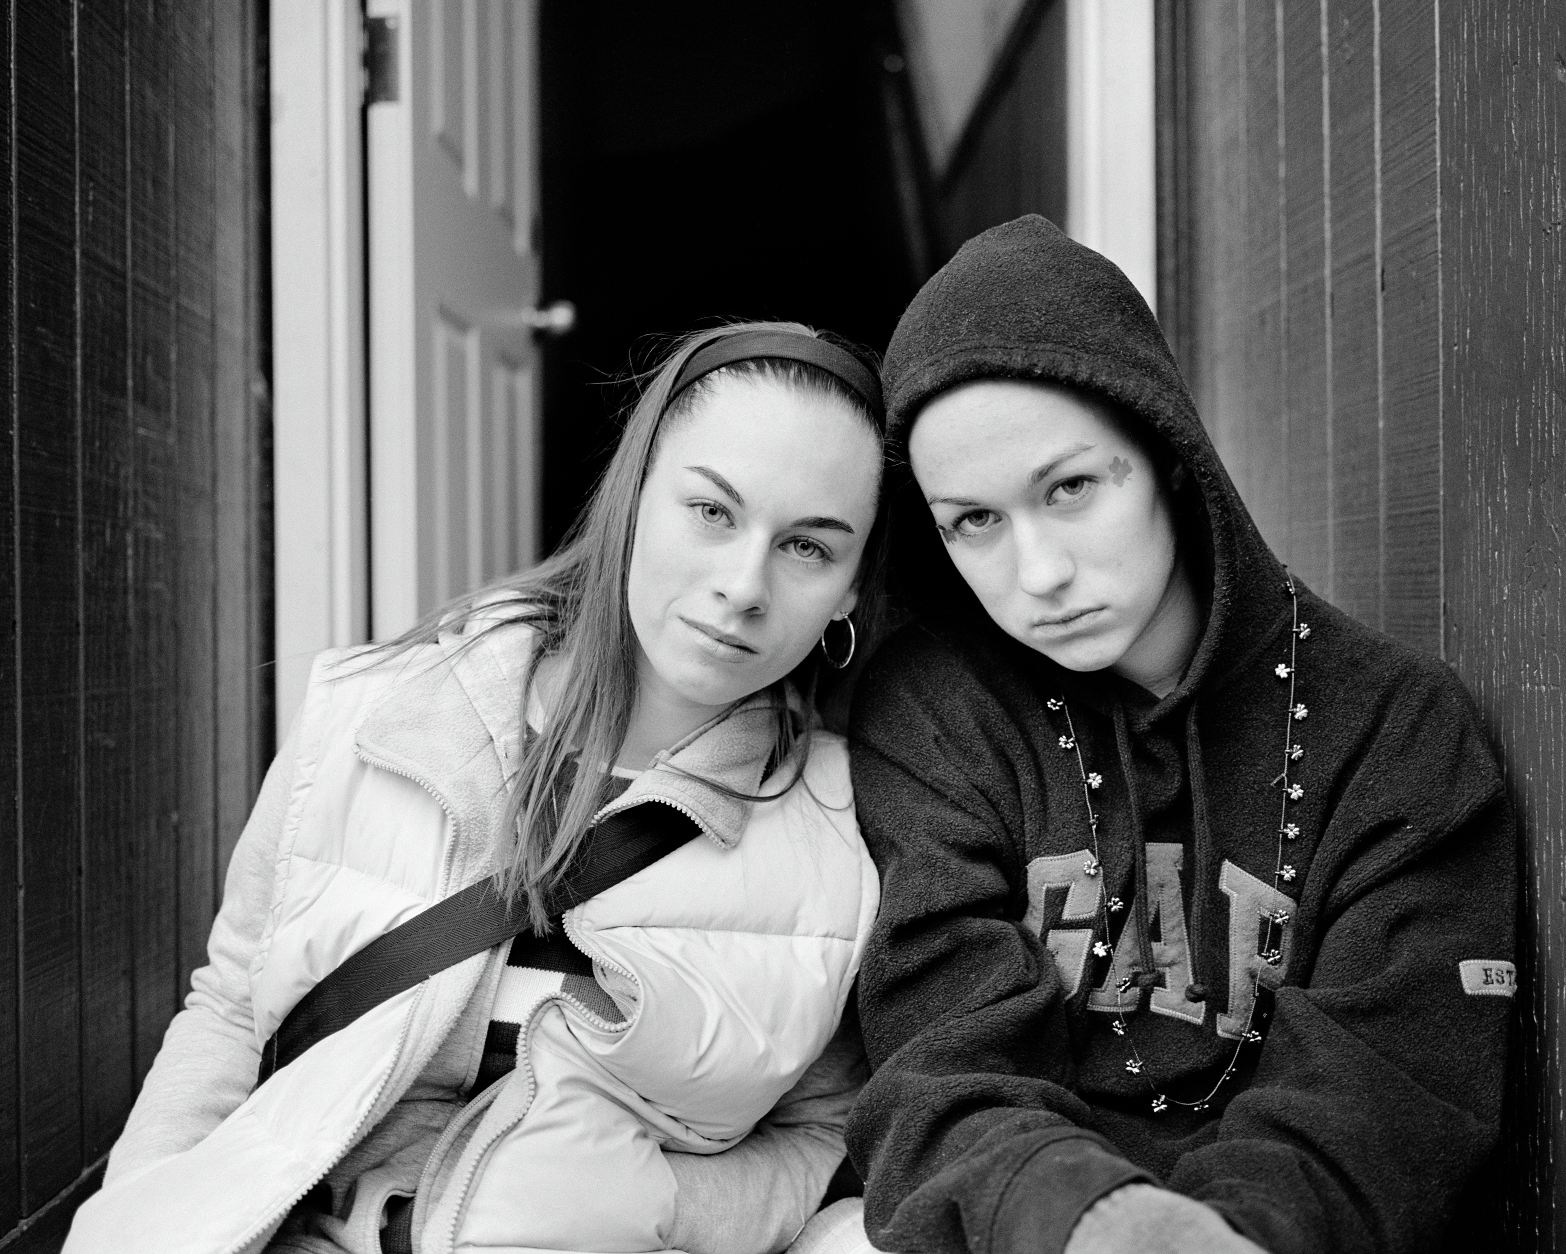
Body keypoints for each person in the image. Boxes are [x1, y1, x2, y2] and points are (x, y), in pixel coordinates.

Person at [66, 322, 887, 1254]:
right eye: (711, 511)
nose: (744, 585)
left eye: (810, 548)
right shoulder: (378, 714)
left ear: (852, 590)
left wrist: (643, 1207)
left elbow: (825, 1131)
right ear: (637, 495)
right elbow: (231, 1014)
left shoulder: (846, 827)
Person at [841, 217, 1515, 1254]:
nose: (1039, 574)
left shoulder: (1397, 733)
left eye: (1070, 489)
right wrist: (1101, 1224)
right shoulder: (935, 712)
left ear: (1165, 452)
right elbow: (938, 1062)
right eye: (974, 520)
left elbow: (1390, 1097)